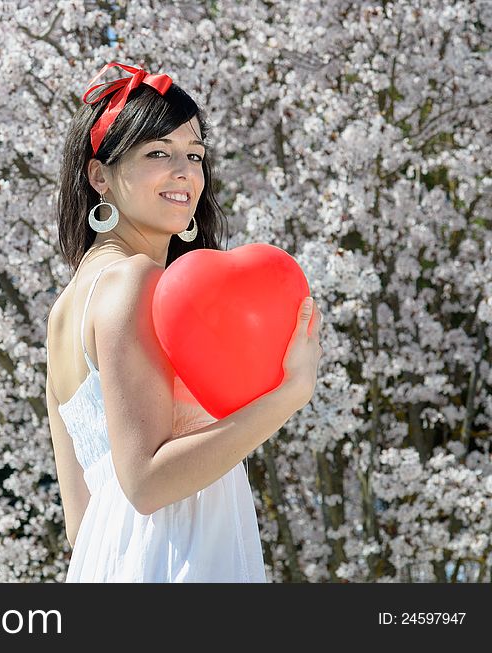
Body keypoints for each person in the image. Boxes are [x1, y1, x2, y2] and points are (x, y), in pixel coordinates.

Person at [45, 62, 324, 582]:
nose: (184, 172)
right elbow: (147, 483)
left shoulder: (66, 307)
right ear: (99, 174)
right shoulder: (135, 283)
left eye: (193, 155)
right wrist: (290, 393)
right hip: (181, 555)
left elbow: (80, 523)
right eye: (158, 153)